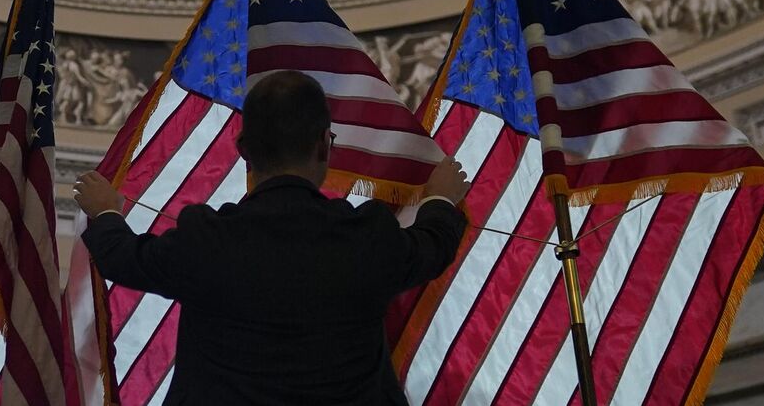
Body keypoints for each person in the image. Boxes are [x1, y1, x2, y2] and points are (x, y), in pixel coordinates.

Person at [75, 70, 469, 406]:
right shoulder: (366, 238)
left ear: (244, 150)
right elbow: (433, 245)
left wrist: (105, 210)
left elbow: (123, 258)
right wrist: (439, 197)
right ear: (323, 144)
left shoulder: (206, 240)